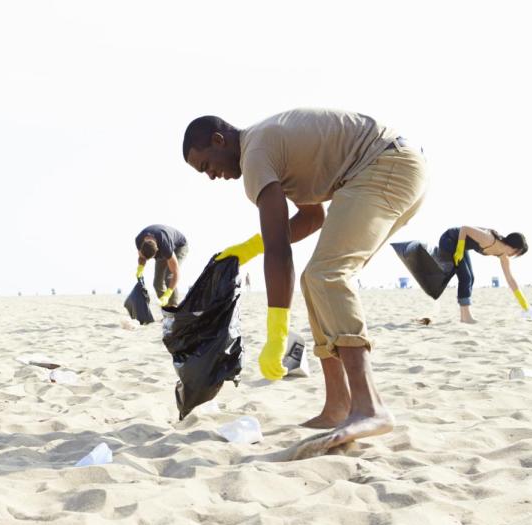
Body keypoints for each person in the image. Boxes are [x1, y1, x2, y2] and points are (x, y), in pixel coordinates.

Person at [182, 108, 427, 454]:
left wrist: (276, 331)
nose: (211, 176)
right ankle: (338, 406)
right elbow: (312, 217)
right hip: (396, 166)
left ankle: (369, 406)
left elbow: (279, 250)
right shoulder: (268, 148)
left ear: (219, 141)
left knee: (328, 275)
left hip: (383, 165)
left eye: (206, 165)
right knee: (317, 280)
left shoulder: (254, 155)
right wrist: (249, 248)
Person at [438, 226, 529, 323]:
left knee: (471, 278)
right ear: (511, 245)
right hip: (448, 239)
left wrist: (525, 306)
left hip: (461, 244)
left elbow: (510, 279)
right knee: (466, 277)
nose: (513, 255)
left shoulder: (503, 256)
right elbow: (464, 229)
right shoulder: (489, 239)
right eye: (515, 252)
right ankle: (467, 317)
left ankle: (463, 317)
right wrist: (460, 249)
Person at [135, 224, 188, 306]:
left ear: (157, 251)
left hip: (179, 246)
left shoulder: (165, 246)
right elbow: (142, 258)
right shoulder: (139, 240)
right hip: (162, 247)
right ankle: (167, 311)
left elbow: (175, 273)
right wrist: (140, 269)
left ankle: (173, 308)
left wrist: (167, 294)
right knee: (157, 283)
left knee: (169, 276)